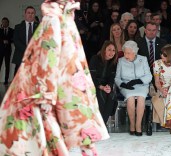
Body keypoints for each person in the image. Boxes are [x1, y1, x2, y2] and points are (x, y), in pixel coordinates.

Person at [0, 0, 109, 155]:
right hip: (60, 87)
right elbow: (51, 54)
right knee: (65, 139)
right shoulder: (59, 18)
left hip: (61, 87)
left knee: (53, 138)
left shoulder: (60, 17)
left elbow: (52, 54)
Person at [115, 40, 152, 136]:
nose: (125, 55)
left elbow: (149, 76)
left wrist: (137, 81)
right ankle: (132, 124)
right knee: (130, 98)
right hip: (126, 85)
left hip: (141, 85)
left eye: (128, 53)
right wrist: (123, 85)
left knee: (141, 97)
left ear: (134, 52)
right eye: (124, 53)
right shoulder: (121, 61)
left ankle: (138, 125)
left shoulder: (143, 59)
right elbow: (117, 78)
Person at [89, 40, 118, 124]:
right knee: (101, 96)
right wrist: (100, 86)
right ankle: (99, 124)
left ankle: (102, 124)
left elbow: (111, 78)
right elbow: (92, 77)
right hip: (94, 85)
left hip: (105, 86)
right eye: (109, 49)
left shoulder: (113, 63)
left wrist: (109, 86)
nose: (111, 52)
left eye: (113, 50)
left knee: (112, 95)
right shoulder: (95, 59)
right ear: (104, 50)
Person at [12, 6, 39, 75]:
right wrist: (27, 50)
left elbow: (41, 41)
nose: (30, 14)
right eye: (28, 13)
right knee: (19, 79)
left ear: (34, 14)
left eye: (32, 13)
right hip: (21, 55)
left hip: (35, 56)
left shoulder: (39, 27)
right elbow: (16, 41)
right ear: (25, 14)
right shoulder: (18, 27)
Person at [0, 17, 14, 85]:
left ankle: (6, 80)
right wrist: (3, 41)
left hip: (8, 50)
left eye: (6, 22)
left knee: (7, 66)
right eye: (3, 22)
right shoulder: (0, 30)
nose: (4, 23)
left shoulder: (12, 30)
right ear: (1, 23)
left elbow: (13, 39)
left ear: (8, 23)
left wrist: (8, 41)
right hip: (0, 50)